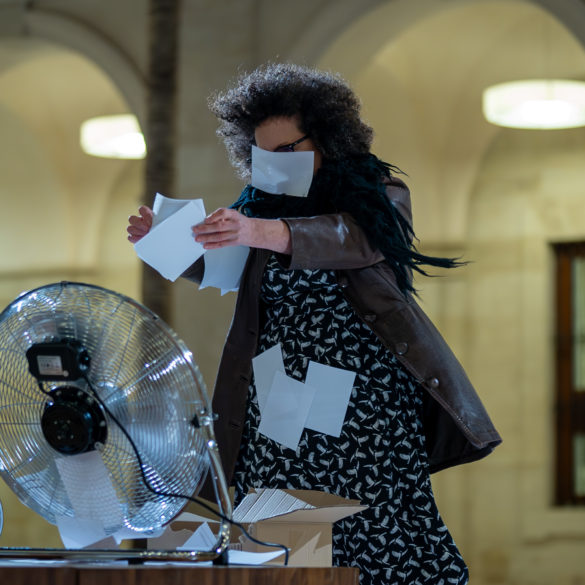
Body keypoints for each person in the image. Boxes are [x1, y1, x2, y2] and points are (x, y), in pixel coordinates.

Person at [127, 63, 501, 585]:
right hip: (278, 402)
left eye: (288, 150)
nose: (274, 164)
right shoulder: (258, 208)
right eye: (263, 154)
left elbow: (355, 239)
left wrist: (259, 229)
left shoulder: (379, 194)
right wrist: (164, 243)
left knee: (375, 533)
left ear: (327, 137)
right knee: (279, 535)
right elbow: (228, 267)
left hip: (364, 409)